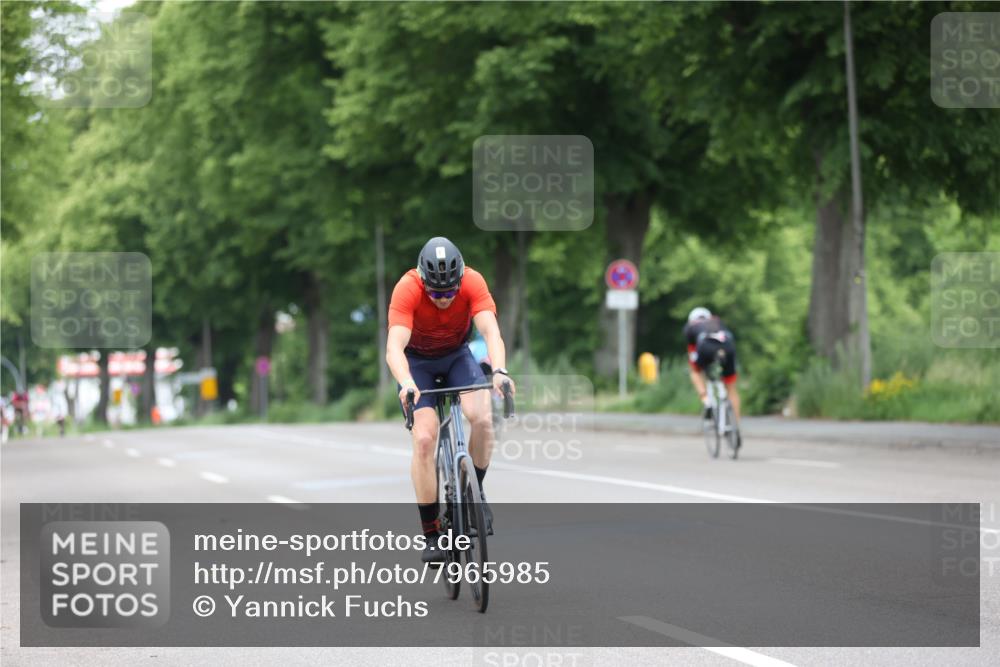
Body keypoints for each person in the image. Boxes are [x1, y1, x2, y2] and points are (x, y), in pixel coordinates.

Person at [385, 236, 515, 564]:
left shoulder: (472, 281)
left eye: (449, 292)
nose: (443, 299)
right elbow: (394, 348)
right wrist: (406, 383)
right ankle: (431, 532)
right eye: (436, 293)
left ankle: (473, 493)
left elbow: (491, 332)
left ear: (459, 281)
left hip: (457, 357)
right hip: (418, 364)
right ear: (423, 281)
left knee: (483, 418)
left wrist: (499, 370)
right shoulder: (407, 288)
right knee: (425, 439)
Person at [684, 307, 741, 446]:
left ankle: (706, 400)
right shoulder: (717, 321)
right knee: (731, 388)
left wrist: (699, 367)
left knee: (695, 372)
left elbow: (692, 353)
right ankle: (736, 428)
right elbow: (730, 337)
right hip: (727, 347)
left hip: (705, 347)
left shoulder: (690, 327)